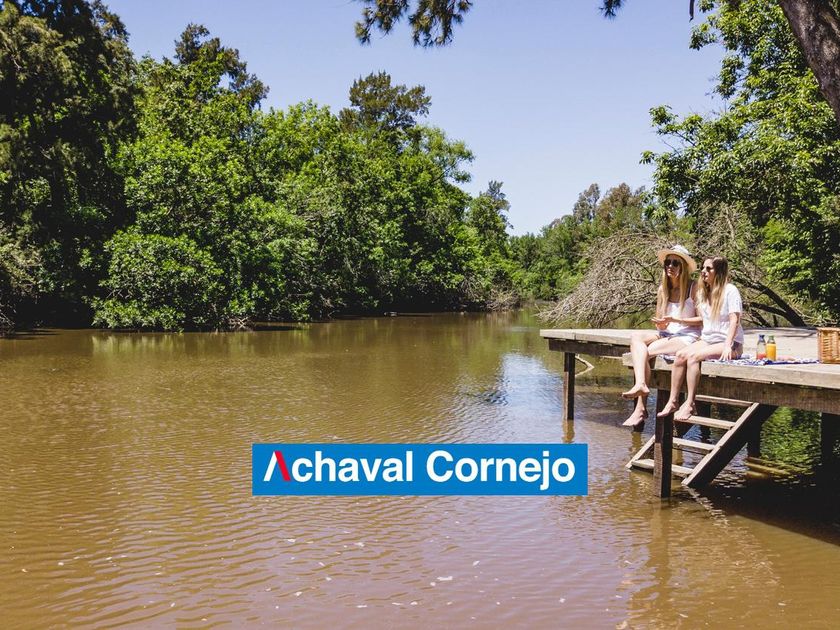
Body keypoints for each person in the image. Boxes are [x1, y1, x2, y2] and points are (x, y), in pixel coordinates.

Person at [621, 245, 701, 429]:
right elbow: (660, 321)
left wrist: (676, 320)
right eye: (667, 262)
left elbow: (703, 320)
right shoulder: (662, 290)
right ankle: (641, 385)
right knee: (636, 338)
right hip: (667, 334)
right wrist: (661, 324)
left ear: (683, 267)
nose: (670, 266)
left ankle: (640, 407)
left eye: (675, 263)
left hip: (688, 335)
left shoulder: (694, 288)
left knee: (646, 352)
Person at [657, 256, 744, 422]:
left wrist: (728, 345)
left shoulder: (730, 290)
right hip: (708, 340)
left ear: (719, 272)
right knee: (680, 355)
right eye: (703, 268)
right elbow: (703, 320)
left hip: (729, 343)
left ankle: (690, 403)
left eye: (708, 269)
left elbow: (735, 319)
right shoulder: (704, 292)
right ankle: (673, 401)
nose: (703, 272)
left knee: (693, 357)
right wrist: (675, 320)